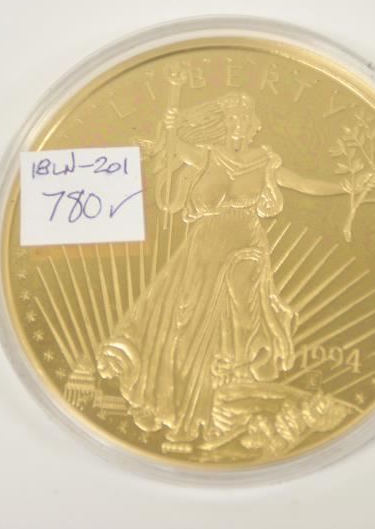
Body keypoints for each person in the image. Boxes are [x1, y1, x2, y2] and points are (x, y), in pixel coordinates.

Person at [96, 92, 354, 444]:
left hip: (244, 245)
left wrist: (345, 185)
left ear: (253, 126)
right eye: (232, 119)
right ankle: (185, 407)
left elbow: (305, 184)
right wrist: (168, 126)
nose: (237, 126)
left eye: (243, 120)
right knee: (186, 322)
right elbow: (172, 145)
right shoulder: (206, 156)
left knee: (238, 313)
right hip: (202, 250)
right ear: (225, 125)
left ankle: (230, 382)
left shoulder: (265, 162)